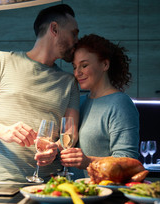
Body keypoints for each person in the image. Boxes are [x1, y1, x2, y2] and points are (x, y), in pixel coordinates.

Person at [0, 4, 80, 189]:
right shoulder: (2, 61)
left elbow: (70, 133)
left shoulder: (69, 82)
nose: (77, 40)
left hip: (52, 187)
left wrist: (56, 148)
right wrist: (4, 131)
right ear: (54, 29)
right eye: (73, 33)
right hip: (3, 185)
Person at [60, 34, 140, 177]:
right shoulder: (79, 101)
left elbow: (128, 161)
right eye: (75, 67)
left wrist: (88, 161)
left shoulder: (120, 104)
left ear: (105, 65)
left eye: (84, 65)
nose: (78, 73)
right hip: (77, 192)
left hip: (105, 193)